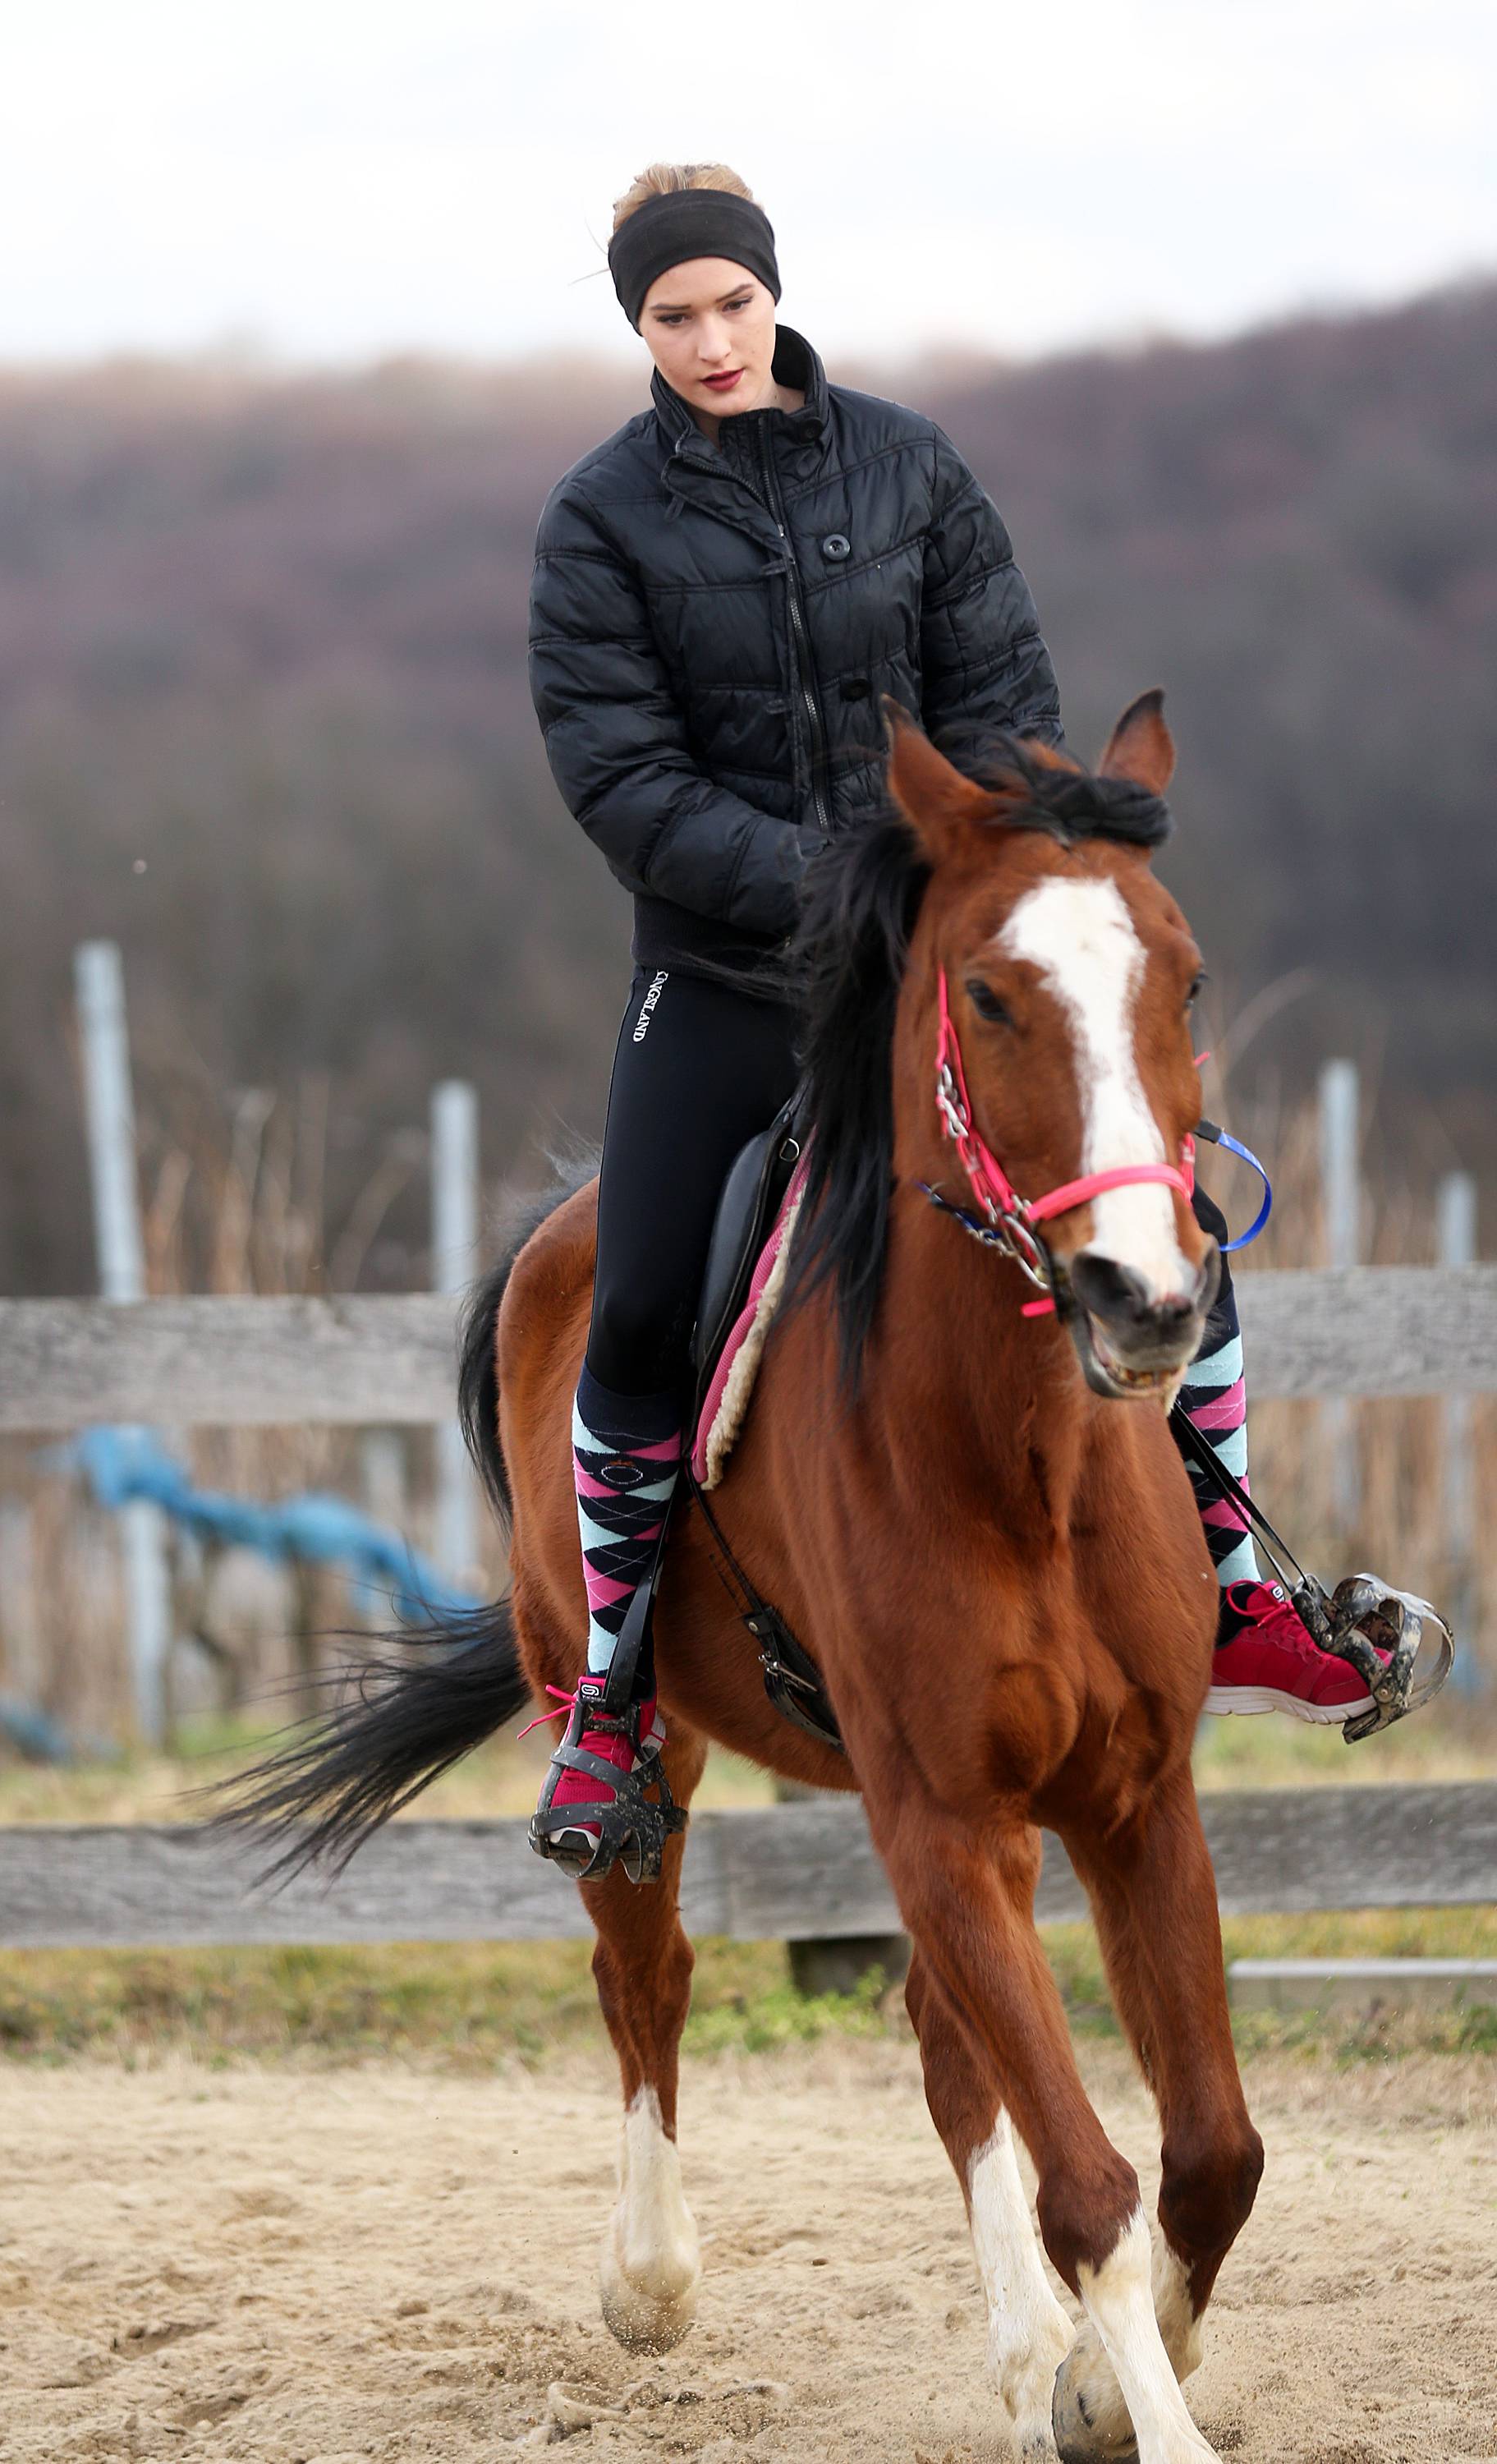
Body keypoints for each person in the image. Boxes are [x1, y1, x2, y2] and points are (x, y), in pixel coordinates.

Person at [525, 162, 1381, 1878]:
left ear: (775, 300)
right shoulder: (598, 521)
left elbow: (1008, 705)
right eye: (671, 315)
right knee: (628, 1312)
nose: (708, 339)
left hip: (954, 967)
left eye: (732, 306)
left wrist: (980, 884)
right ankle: (610, 1698)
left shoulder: (912, 466)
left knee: (1178, 1235)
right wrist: (855, 884)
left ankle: (1233, 1590)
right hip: (724, 978)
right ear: (636, 325)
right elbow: (625, 784)